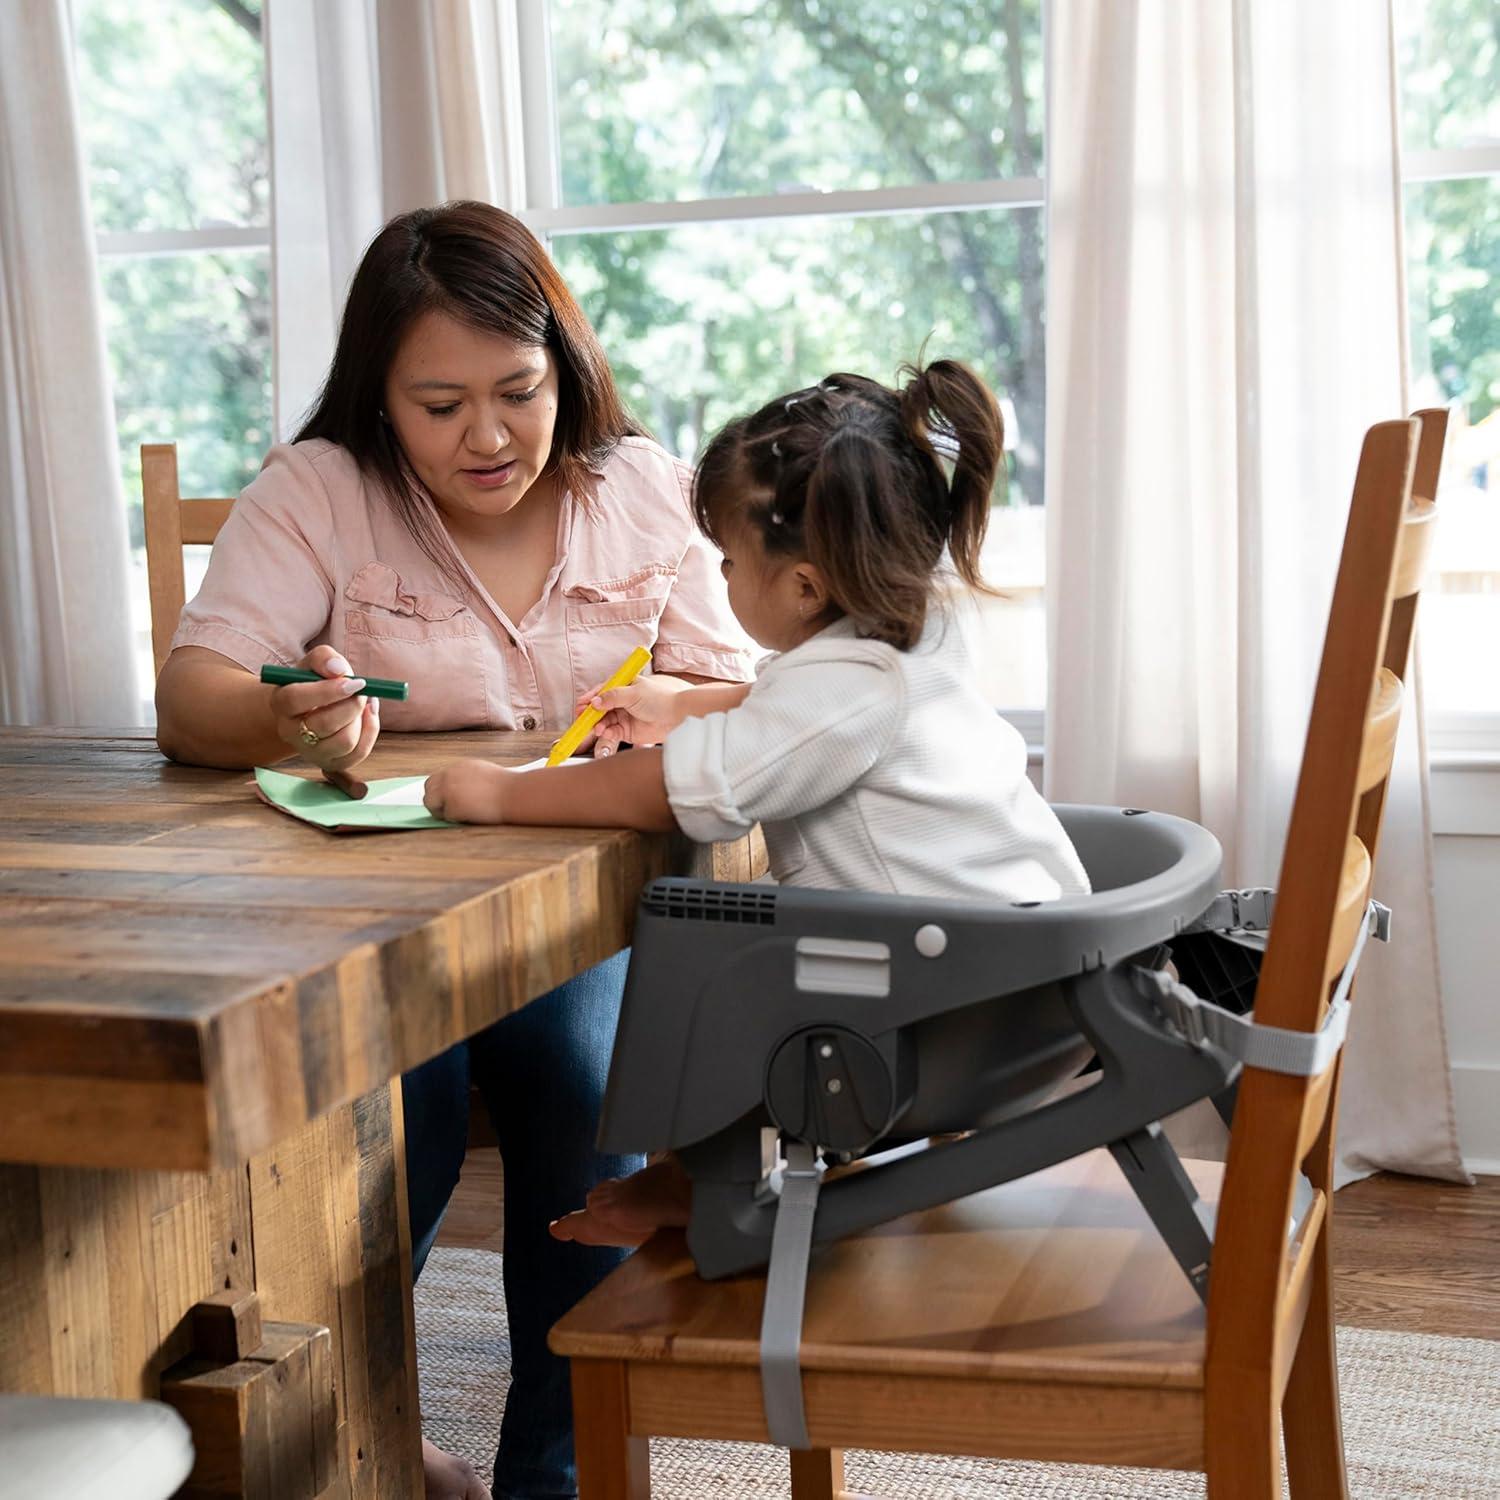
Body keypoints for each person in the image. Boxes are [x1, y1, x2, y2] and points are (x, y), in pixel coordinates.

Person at [154, 201, 752, 1500]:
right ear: (381, 395)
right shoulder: (318, 490)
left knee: (584, 1079)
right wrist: (285, 716)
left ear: (565, 369)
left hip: (576, 912)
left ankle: (555, 1473)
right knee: (384, 1102)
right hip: (365, 915)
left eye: (518, 393)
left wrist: (674, 712)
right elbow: (191, 699)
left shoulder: (643, 489)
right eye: (440, 405)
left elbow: (745, 700)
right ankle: (367, 1435)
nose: (487, 437)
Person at [420, 360, 1092, 1246]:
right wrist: (685, 704)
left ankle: (703, 1178)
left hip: (950, 1018)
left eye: (732, 563)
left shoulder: (841, 691)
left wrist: (506, 794)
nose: (725, 578)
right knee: (760, 943)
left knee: (711, 951)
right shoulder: (909, 636)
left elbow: (664, 793)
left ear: (805, 588)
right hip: (1034, 986)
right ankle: (704, 1172)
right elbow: (811, 713)